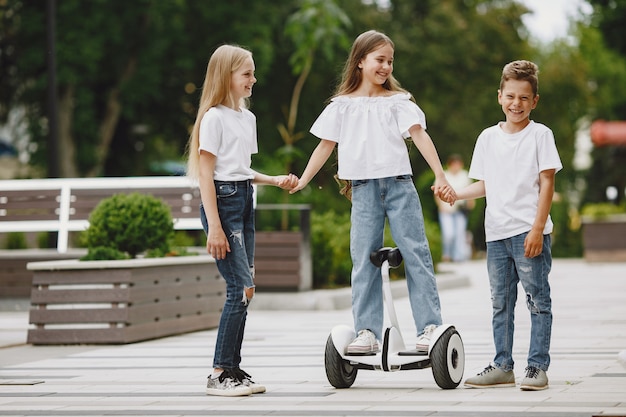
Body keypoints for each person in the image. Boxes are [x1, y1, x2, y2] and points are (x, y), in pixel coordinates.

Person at [290, 30, 455, 355]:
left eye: (390, 61)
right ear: (361, 61)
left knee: (415, 254)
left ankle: (429, 327)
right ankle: (367, 331)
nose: (386, 67)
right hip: (364, 192)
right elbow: (325, 145)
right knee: (363, 259)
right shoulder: (341, 106)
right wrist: (305, 179)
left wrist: (440, 174)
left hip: (398, 187)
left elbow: (419, 136)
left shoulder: (397, 102)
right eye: (380, 60)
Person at [441, 60, 562, 391]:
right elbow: (484, 185)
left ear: (534, 100)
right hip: (496, 234)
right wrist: (455, 195)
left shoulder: (541, 135)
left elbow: (547, 183)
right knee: (500, 304)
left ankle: (537, 367)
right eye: (511, 96)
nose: (516, 104)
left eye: (524, 98)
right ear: (499, 96)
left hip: (528, 232)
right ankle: (502, 365)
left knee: (538, 300)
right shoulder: (487, 138)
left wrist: (538, 228)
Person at [186, 44, 298, 397]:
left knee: (247, 288)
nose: (254, 79)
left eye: (252, 72)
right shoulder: (213, 118)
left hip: (244, 199)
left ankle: (233, 368)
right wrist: (215, 227)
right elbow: (207, 175)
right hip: (222, 203)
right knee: (238, 288)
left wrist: (273, 180)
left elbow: (240, 169)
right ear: (227, 76)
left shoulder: (246, 117)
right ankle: (219, 373)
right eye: (246, 73)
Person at [436, 154, 474, 262]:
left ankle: (458, 256)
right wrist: (440, 206)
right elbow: (437, 193)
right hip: (446, 210)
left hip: (460, 210)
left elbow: (470, 190)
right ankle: (447, 254)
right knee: (448, 233)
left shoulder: (464, 175)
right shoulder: (444, 175)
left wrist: (471, 204)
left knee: (460, 233)